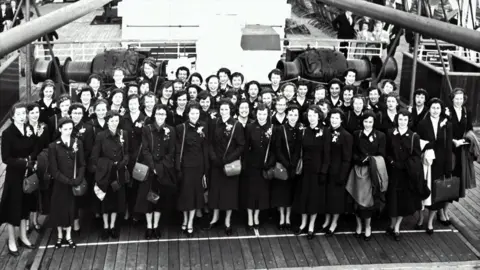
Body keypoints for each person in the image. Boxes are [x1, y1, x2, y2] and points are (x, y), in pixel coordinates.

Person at [0, 102, 36, 256]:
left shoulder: (29, 129)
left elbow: (34, 148)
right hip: (14, 176)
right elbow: (6, 158)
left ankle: (23, 236)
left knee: (24, 207)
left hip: (27, 175)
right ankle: (11, 241)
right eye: (19, 114)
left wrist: (31, 160)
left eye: (24, 113)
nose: (22, 116)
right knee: (12, 209)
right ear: (13, 116)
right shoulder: (7, 134)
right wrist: (24, 162)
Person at [135, 104, 176, 239]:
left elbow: (171, 151)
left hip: (163, 169)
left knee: (159, 199)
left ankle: (156, 226)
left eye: (163, 114)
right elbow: (145, 150)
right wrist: (153, 166)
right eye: (158, 114)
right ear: (154, 115)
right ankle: (149, 226)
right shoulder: (147, 129)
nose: (160, 117)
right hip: (149, 169)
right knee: (148, 199)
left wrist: (161, 167)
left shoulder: (171, 130)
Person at [292, 105, 331, 240]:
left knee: (314, 199)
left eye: (314, 115)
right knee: (304, 197)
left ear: (319, 116)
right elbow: (297, 151)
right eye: (309, 115)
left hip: (317, 170)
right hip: (304, 170)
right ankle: (303, 224)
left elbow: (327, 154)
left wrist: (323, 172)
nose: (311, 117)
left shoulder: (325, 132)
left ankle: (311, 226)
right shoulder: (303, 131)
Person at [207, 99, 245, 235]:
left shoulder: (237, 125)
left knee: (229, 194)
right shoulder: (214, 123)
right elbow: (209, 142)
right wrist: (213, 158)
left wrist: (228, 159)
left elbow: (241, 146)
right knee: (215, 192)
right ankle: (215, 217)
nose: (223, 112)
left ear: (231, 110)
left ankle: (228, 221)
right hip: (216, 164)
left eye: (226, 109)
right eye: (221, 109)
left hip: (230, 164)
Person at [90, 111, 129, 240]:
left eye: (116, 120)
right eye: (112, 120)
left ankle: (113, 226)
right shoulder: (101, 136)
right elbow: (95, 156)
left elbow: (127, 153)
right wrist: (106, 165)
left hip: (118, 173)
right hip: (106, 173)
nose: (114, 123)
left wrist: (121, 163)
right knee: (105, 202)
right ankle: (105, 226)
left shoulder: (124, 134)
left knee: (117, 202)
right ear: (107, 122)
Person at [416, 98, 453, 234]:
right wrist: (427, 145)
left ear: (441, 109)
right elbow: (418, 141)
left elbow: (449, 146)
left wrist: (448, 166)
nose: (435, 110)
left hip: (440, 163)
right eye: (433, 108)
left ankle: (430, 221)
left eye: (438, 108)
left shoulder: (447, 124)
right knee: (423, 190)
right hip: (426, 162)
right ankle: (420, 218)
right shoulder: (422, 124)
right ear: (429, 109)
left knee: (436, 193)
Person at [385, 109, 423, 241]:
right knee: (392, 199)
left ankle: (397, 226)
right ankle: (391, 223)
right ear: (397, 120)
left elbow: (417, 156)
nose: (402, 122)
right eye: (400, 119)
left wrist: (404, 165)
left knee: (402, 201)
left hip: (406, 173)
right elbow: (387, 151)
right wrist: (392, 162)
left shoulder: (414, 137)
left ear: (409, 121)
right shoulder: (390, 133)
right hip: (392, 172)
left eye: (405, 119)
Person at [349, 110, 386, 241]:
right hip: (358, 171)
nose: (368, 124)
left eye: (370, 122)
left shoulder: (380, 136)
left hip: (372, 172)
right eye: (365, 121)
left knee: (368, 201)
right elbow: (352, 152)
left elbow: (382, 154)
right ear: (362, 122)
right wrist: (360, 160)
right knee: (357, 200)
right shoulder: (356, 134)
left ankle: (368, 226)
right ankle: (358, 226)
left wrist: (370, 160)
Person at [48, 118, 85, 249]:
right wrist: (67, 181)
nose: (68, 131)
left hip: (73, 183)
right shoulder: (53, 146)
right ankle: (59, 235)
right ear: (60, 129)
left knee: (71, 209)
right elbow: (54, 169)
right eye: (65, 129)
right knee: (58, 209)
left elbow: (82, 164)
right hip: (60, 183)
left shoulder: (78, 143)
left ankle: (68, 236)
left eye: (70, 128)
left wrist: (78, 178)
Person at [175, 102, 209, 237]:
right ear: (187, 114)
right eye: (192, 113)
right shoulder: (181, 128)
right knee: (185, 195)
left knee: (196, 195)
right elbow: (178, 150)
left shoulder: (204, 126)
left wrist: (206, 168)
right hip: (185, 166)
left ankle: (190, 222)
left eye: (197, 113)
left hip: (198, 166)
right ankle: (184, 218)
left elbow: (205, 148)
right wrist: (178, 166)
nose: (195, 115)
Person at [243, 104, 275, 229]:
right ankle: (250, 216)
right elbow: (245, 148)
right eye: (259, 114)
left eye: (264, 114)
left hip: (265, 166)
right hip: (252, 165)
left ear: (268, 114)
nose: (262, 116)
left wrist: (269, 163)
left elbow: (274, 149)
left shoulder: (272, 128)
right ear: (256, 114)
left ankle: (257, 215)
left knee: (261, 193)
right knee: (250, 193)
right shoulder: (250, 127)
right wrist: (245, 164)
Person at [272, 105, 301, 230]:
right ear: (287, 116)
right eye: (291, 114)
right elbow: (277, 149)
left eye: (295, 115)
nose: (293, 117)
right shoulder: (280, 129)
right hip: (283, 166)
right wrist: (286, 163)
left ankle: (288, 217)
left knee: (290, 194)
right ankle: (281, 217)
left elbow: (299, 148)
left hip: (294, 167)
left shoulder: (300, 130)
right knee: (281, 193)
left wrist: (293, 164)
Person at [323, 108, 353, 236]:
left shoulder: (346, 136)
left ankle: (334, 222)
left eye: (336, 118)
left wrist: (342, 175)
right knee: (326, 197)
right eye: (332, 118)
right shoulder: (325, 132)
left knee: (336, 199)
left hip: (338, 172)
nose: (334, 120)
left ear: (341, 120)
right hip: (326, 170)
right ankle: (327, 219)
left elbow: (347, 158)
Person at [69, 103, 94, 232]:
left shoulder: (88, 128)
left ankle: (78, 220)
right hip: (66, 166)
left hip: (80, 165)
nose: (77, 116)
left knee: (79, 194)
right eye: (74, 113)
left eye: (79, 113)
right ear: (70, 114)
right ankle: (70, 221)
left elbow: (89, 149)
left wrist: (80, 163)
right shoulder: (65, 127)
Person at [26, 103, 50, 232]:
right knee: (27, 192)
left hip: (40, 162)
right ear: (27, 114)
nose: (35, 115)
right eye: (32, 113)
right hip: (27, 163)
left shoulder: (44, 127)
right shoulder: (24, 128)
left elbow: (46, 145)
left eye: (36, 112)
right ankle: (26, 222)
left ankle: (35, 221)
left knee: (37, 193)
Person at [123, 95, 147, 222]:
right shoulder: (123, 119)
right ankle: (128, 210)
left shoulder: (144, 118)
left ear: (139, 104)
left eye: (135, 103)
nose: (132, 106)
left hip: (140, 157)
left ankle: (137, 212)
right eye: (130, 103)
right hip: (127, 156)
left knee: (138, 184)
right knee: (127, 184)